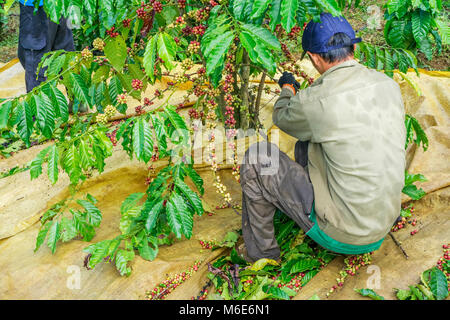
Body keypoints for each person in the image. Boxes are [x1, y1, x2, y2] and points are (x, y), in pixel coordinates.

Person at [238, 13, 406, 263]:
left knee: (257, 157)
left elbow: (282, 117)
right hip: (383, 223)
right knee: (312, 140)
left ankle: (261, 255)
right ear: (354, 47)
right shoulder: (388, 84)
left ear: (315, 58)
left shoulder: (315, 101)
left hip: (343, 234)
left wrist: (287, 89)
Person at [18, 0, 75, 93]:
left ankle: (39, 105)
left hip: (37, 7)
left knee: (36, 61)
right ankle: (78, 103)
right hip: (63, 4)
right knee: (65, 54)